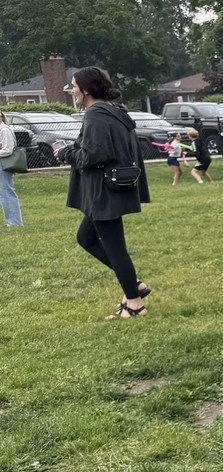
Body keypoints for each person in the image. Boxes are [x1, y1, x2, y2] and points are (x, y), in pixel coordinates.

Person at [65, 67, 153, 319]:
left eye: (74, 85)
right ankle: (133, 285)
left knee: (115, 248)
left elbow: (94, 155)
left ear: (86, 89)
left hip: (103, 191)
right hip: (110, 188)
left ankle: (135, 304)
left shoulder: (96, 115)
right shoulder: (115, 111)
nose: (72, 90)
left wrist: (66, 153)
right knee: (86, 238)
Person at [1, 111, 25, 227]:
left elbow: (7, 150)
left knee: (7, 192)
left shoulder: (4, 130)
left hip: (4, 165)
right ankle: (11, 220)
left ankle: (14, 222)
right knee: (4, 192)